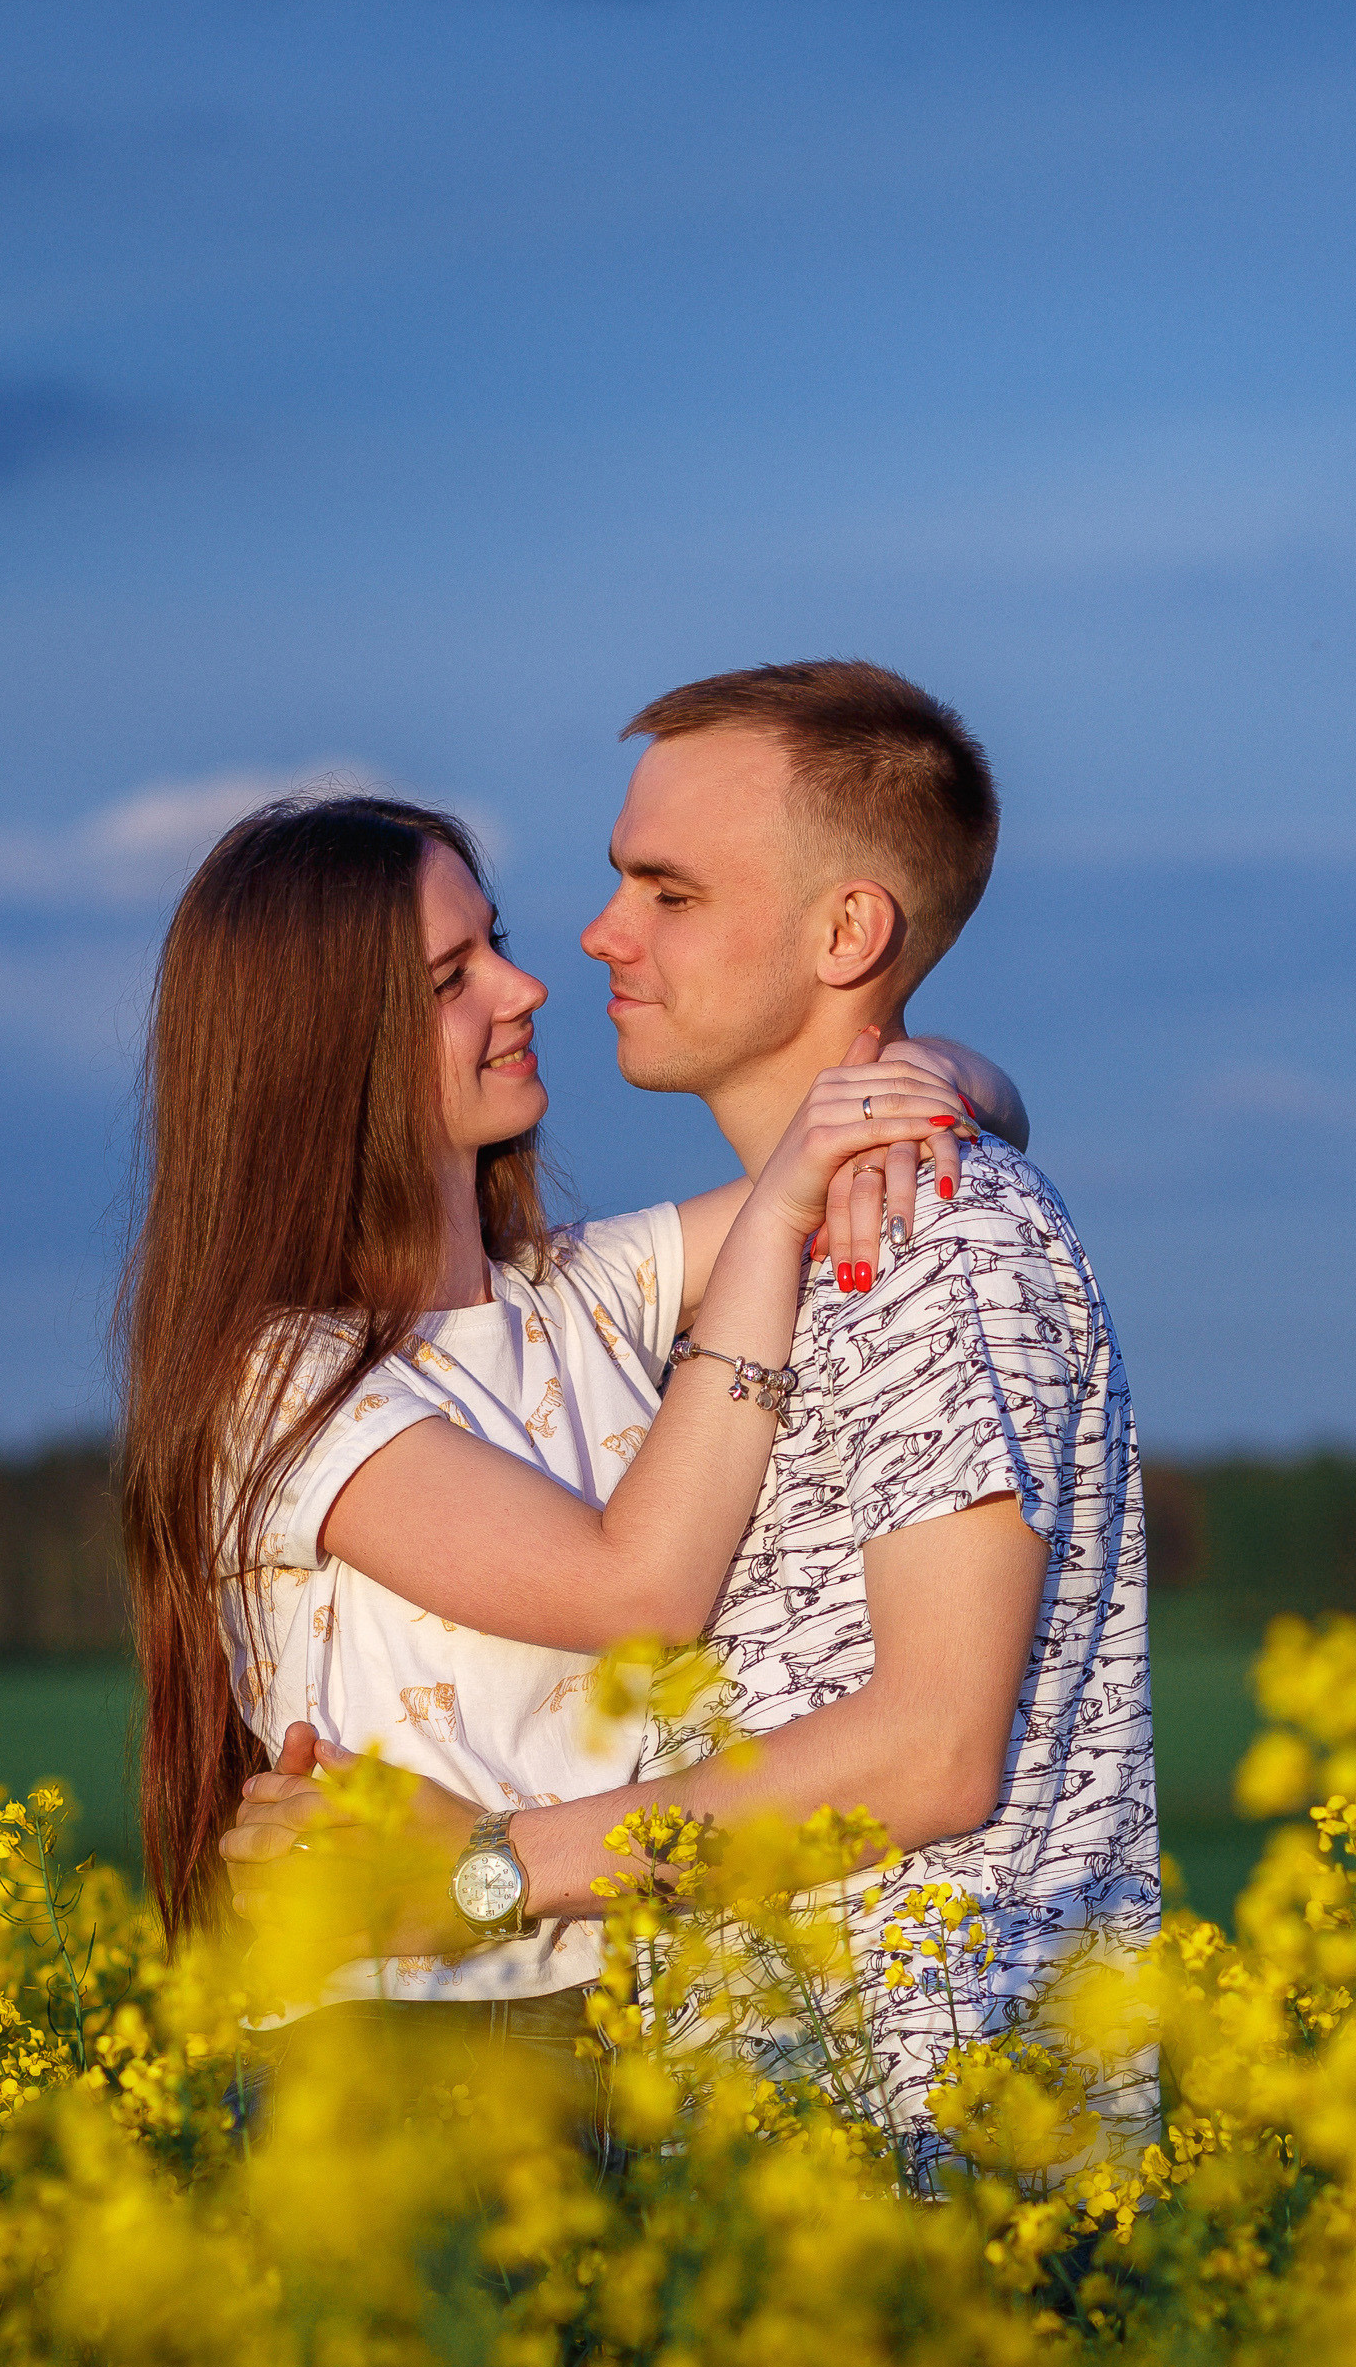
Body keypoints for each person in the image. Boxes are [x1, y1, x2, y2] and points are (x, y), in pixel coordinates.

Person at [225, 665, 1159, 2170]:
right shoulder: (781, 1256)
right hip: (747, 2145)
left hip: (930, 2152)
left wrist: (476, 1873)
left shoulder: (923, 1238)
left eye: (666, 890)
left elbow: (930, 1754)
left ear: (847, 933)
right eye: (611, 887)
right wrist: (917, 1084)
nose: (584, 949)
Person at [116, 790, 1021, 2071]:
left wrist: (910, 1079)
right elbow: (635, 1587)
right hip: (412, 2040)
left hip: (620, 2012)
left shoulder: (577, 1292)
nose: (527, 987)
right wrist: (778, 1216)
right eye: (451, 978)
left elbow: (992, 1108)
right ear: (326, 1052)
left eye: (496, 942)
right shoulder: (275, 1381)